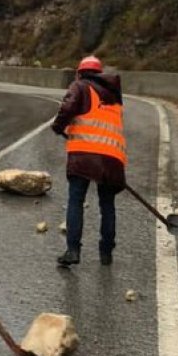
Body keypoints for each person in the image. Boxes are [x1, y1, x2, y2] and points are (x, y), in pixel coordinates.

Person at [51, 55, 127, 267]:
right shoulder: (115, 96)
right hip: (112, 158)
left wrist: (58, 126)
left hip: (85, 154)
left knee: (76, 200)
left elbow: (68, 108)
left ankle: (73, 250)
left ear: (80, 73)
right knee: (107, 204)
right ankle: (106, 252)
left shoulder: (80, 86)